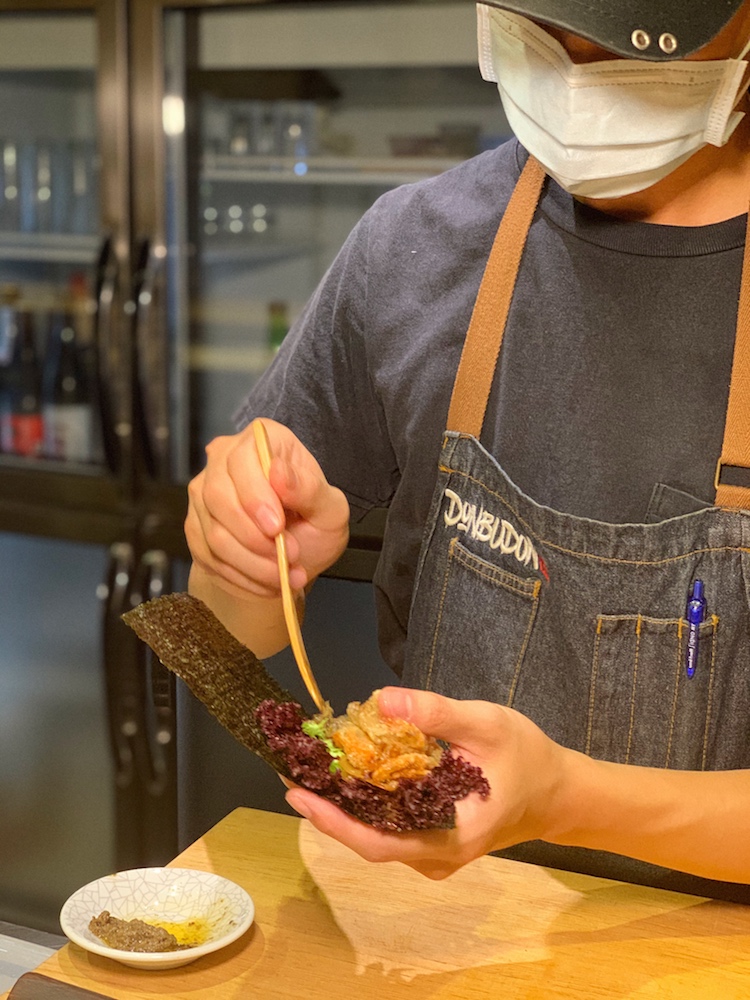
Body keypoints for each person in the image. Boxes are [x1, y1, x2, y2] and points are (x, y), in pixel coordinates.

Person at [185, 0, 750, 898]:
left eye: (631, 41)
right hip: (436, 933)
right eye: (546, 28)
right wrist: (242, 564)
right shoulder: (411, 247)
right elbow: (234, 630)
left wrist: (566, 798)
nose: (576, 65)